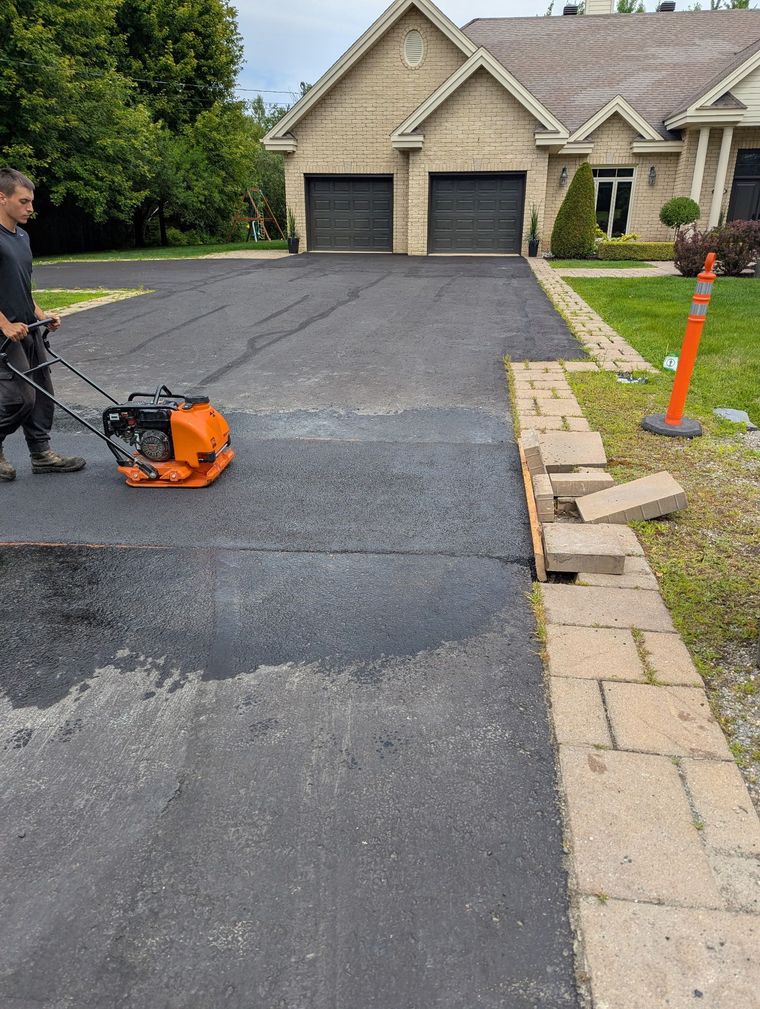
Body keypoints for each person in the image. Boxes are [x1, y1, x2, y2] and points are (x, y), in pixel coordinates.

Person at [0, 167, 86, 481]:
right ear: (2, 197)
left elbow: (21, 284)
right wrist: (5, 324)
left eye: (30, 201)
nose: (30, 208)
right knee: (19, 398)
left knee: (43, 393)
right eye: (23, 201)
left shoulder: (21, 236)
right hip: (4, 333)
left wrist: (40, 313)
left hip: (27, 328)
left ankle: (41, 454)